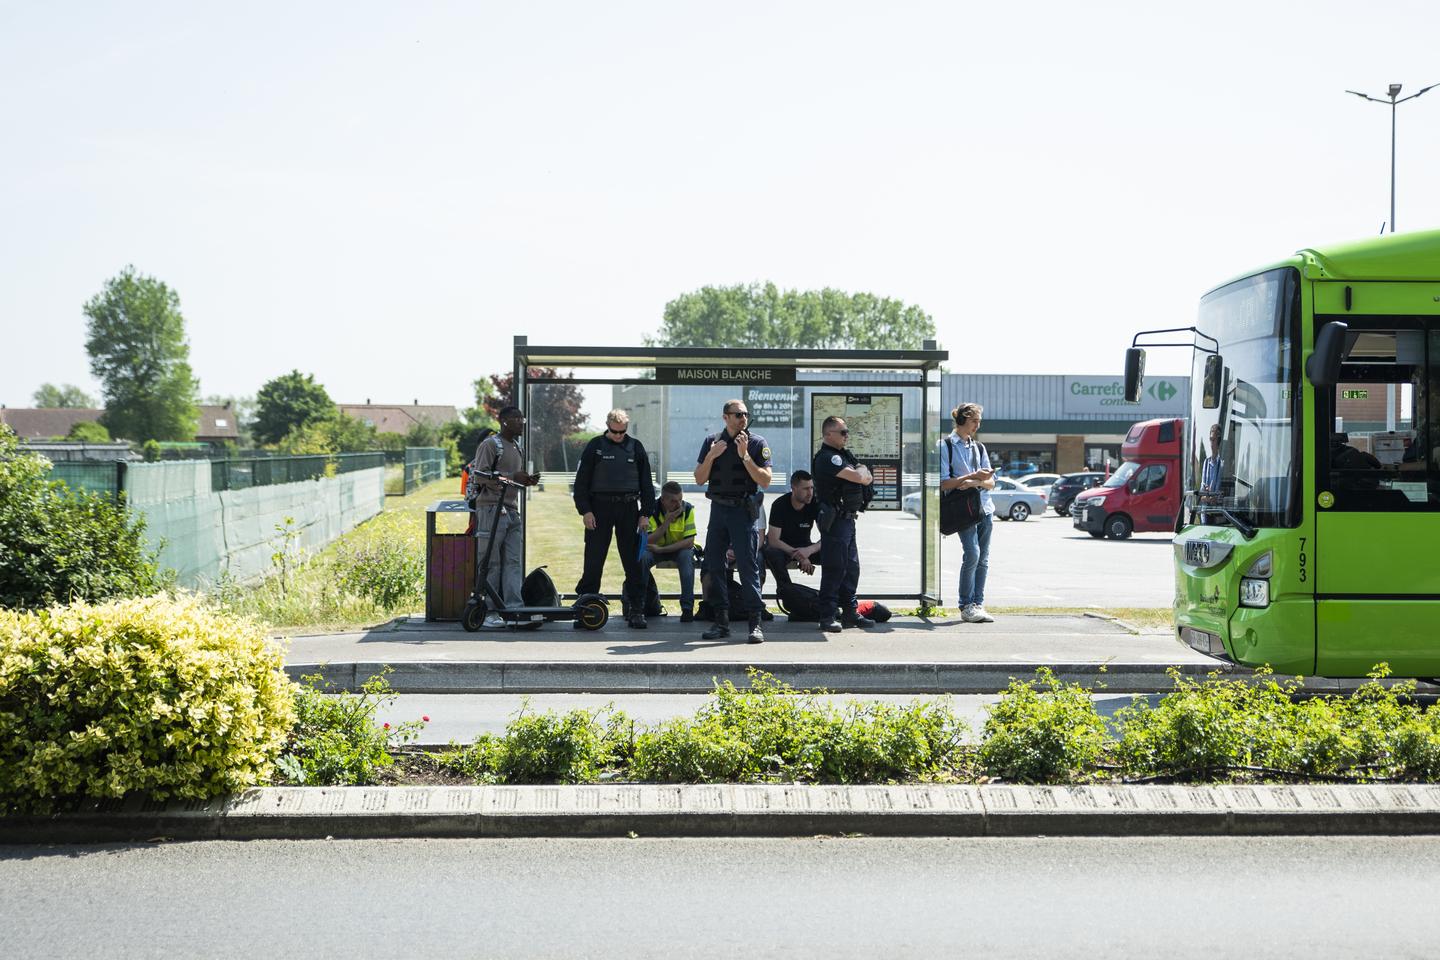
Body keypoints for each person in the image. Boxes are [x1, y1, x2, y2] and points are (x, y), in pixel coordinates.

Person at [695, 398, 773, 643]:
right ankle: (721, 622)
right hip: (719, 510)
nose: (743, 419)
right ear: (725, 417)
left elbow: (766, 481)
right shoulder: (712, 442)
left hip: (742, 511)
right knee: (714, 565)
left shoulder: (757, 443)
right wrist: (711, 456)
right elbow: (699, 478)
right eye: (738, 414)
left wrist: (745, 456)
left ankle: (755, 624)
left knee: (748, 566)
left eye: (746, 414)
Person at [573, 408, 656, 629]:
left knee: (632, 561)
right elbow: (581, 482)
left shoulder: (636, 447)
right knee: (593, 559)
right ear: (607, 427)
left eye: (622, 432)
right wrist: (585, 511)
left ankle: (637, 609)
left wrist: (645, 513)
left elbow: (647, 483)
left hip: (628, 507)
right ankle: (586, 609)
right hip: (599, 508)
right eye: (614, 432)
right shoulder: (595, 446)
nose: (619, 436)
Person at [465, 406, 538, 628]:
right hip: (491, 510)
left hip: (512, 510)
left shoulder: (517, 447)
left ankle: (514, 610)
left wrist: (525, 480)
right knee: (491, 562)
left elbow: (511, 478)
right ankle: (489, 613)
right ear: (503, 421)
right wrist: (511, 476)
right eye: (517, 419)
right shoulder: (490, 445)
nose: (521, 422)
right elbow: (479, 475)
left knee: (513, 561)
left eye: (522, 418)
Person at [811, 416, 875, 633]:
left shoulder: (843, 455)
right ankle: (827, 615)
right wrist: (862, 475)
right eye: (843, 432)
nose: (847, 435)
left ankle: (850, 612)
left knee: (851, 568)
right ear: (828, 434)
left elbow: (864, 472)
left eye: (847, 431)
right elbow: (860, 476)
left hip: (847, 520)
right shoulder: (828, 458)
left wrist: (863, 474)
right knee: (834, 569)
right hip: (835, 520)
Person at [938, 402, 996, 624]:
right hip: (964, 510)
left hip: (985, 507)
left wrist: (973, 481)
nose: (977, 426)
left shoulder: (979, 448)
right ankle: (966, 605)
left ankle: (978, 602)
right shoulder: (945, 446)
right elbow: (944, 483)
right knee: (972, 553)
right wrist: (970, 479)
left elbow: (990, 482)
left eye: (979, 421)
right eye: (974, 421)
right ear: (962, 420)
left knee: (983, 557)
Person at [642, 481, 698, 622]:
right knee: (642, 559)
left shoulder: (688, 509)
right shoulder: (651, 510)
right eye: (673, 501)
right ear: (663, 500)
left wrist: (662, 549)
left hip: (677, 550)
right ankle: (638, 607)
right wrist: (667, 521)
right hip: (654, 550)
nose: (678, 504)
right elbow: (648, 541)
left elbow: (689, 542)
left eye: (680, 499)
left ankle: (687, 609)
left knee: (686, 557)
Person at [762, 470, 822, 588]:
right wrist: (800, 556)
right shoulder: (779, 505)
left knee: (834, 551)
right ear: (793, 488)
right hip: (784, 548)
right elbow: (773, 540)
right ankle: (788, 592)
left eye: (811, 488)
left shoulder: (815, 503)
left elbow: (827, 537)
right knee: (772, 553)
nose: (810, 493)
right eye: (805, 489)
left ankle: (829, 598)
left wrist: (809, 550)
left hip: (805, 547)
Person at [1200, 423, 1224, 502]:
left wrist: (1210, 497)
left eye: (1214, 440)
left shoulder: (1222, 464)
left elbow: (1217, 495)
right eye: (1210, 439)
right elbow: (1202, 492)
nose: (1211, 444)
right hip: (1205, 512)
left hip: (1218, 512)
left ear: (1219, 442)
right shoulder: (1206, 463)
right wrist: (1206, 495)